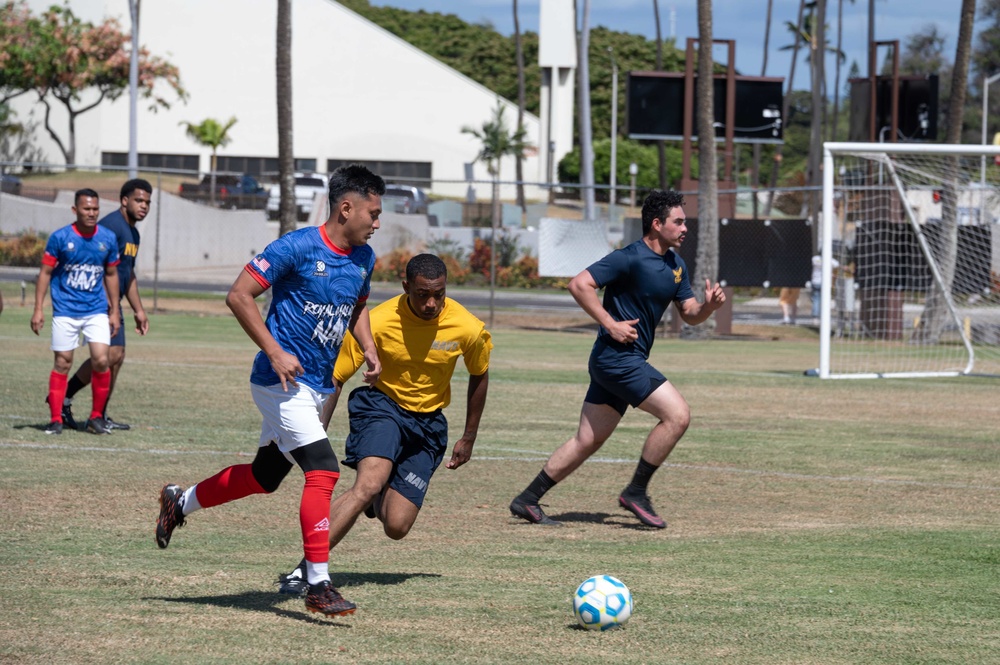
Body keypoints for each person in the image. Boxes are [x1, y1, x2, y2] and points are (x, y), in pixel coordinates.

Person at [154, 164, 385, 618]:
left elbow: (356, 303)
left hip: (315, 385)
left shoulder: (363, 257)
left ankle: (180, 502)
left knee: (265, 477)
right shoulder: (296, 246)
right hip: (278, 382)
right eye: (373, 213)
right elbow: (239, 295)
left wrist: (369, 346)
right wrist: (276, 351)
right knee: (323, 469)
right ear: (346, 207)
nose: (377, 223)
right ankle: (317, 583)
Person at [276, 253, 493, 596]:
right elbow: (337, 377)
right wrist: (315, 435)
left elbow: (479, 374)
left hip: (428, 426)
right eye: (422, 294)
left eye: (439, 293)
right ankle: (306, 570)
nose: (431, 303)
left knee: (396, 526)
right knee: (367, 484)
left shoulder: (467, 327)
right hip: (382, 407)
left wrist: (469, 436)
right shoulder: (376, 322)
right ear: (406, 287)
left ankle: (379, 496)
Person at [509, 189, 726, 529]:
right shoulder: (629, 257)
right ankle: (636, 492)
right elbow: (579, 284)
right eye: (678, 221)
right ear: (656, 224)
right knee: (678, 415)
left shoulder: (675, 265)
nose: (685, 228)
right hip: (618, 359)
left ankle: (527, 499)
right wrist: (610, 324)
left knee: (588, 440)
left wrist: (709, 306)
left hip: (618, 361)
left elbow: (690, 314)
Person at [57, 179, 153, 431]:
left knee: (116, 357)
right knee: (107, 356)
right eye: (139, 200)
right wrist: (107, 306)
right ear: (124, 201)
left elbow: (127, 273)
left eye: (147, 202)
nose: (144, 206)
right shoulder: (111, 227)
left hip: (114, 302)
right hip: (99, 301)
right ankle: (64, 400)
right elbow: (94, 263)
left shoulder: (133, 233)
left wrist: (139, 310)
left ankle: (98, 414)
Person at [31, 188, 121, 436]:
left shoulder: (107, 238)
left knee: (102, 359)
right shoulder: (60, 238)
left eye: (95, 209)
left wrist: (114, 310)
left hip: (96, 310)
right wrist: (38, 308)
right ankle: (55, 419)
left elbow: (112, 275)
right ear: (75, 210)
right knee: (62, 362)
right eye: (86, 209)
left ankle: (95, 417)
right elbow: (45, 273)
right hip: (65, 311)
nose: (91, 213)